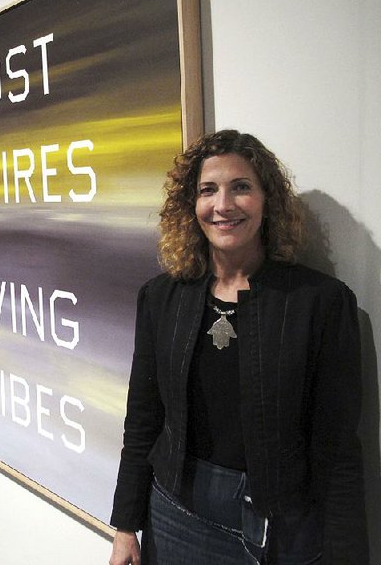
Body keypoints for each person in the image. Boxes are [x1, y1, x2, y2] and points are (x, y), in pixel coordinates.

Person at [108, 130, 368, 564]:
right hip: (174, 515)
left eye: (241, 187)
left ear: (268, 202)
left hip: (280, 530)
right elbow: (143, 420)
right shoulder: (161, 298)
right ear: (191, 207)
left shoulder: (319, 302)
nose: (223, 205)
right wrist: (125, 527)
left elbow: (337, 448)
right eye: (208, 190)